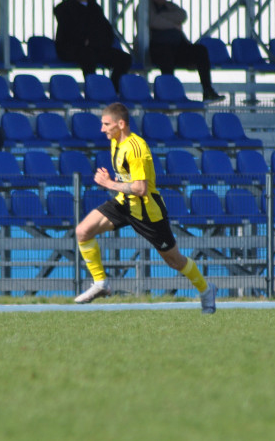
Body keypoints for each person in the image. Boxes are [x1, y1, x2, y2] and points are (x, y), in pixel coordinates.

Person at [74, 102, 216, 313]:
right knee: (83, 231)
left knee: (174, 261)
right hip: (124, 203)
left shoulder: (135, 148)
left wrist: (109, 183)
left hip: (148, 212)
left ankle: (206, 290)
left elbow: (140, 189)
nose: (102, 129)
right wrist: (115, 183)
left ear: (121, 124)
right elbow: (129, 181)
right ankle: (100, 283)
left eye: (106, 124)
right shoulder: (115, 142)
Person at [140, 0, 223, 102]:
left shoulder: (170, 6)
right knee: (165, 53)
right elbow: (153, 22)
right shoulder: (144, 6)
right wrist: (173, 25)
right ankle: (169, 93)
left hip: (177, 47)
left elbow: (182, 15)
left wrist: (162, 19)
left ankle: (208, 90)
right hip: (156, 48)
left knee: (200, 50)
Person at [54, 0, 132, 90]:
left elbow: (106, 29)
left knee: (125, 59)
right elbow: (69, 31)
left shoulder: (94, 7)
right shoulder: (64, 8)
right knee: (88, 57)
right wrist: (84, 40)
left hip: (97, 47)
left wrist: (100, 41)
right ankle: (94, 90)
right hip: (73, 48)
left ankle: (112, 89)